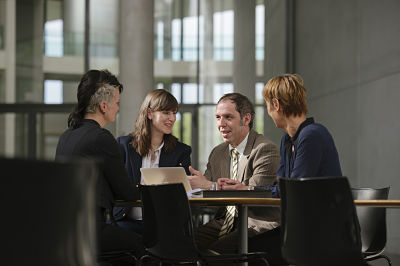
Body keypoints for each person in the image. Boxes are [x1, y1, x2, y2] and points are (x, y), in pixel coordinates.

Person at [248, 73, 343, 265]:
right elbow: (282, 186)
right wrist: (247, 189)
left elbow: (292, 192)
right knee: (247, 248)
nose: (268, 111)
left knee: (250, 253)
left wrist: (250, 190)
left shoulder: (312, 136)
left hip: (322, 233)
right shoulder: (287, 140)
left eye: (267, 105)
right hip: (303, 228)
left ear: (276, 104)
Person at [55, 69, 145, 262]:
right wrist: (147, 189)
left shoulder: (66, 136)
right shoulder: (101, 138)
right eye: (117, 103)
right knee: (146, 248)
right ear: (104, 106)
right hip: (90, 231)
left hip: (64, 230)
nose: (118, 108)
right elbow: (126, 193)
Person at [188, 92, 280, 255]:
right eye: (218, 117)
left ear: (246, 119)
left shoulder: (265, 149)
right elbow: (207, 193)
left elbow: (255, 194)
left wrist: (211, 186)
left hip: (256, 224)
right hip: (224, 223)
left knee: (214, 253)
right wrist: (191, 185)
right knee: (180, 244)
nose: (221, 123)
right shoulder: (218, 153)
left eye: (228, 117)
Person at [113, 89, 192, 234]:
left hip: (163, 226)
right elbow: (116, 186)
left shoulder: (181, 151)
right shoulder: (124, 146)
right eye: (166, 112)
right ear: (149, 113)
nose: (173, 118)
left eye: (174, 113)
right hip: (126, 222)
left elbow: (183, 193)